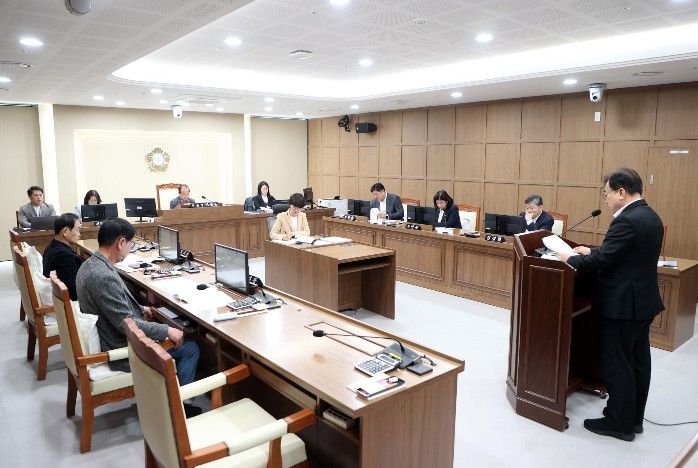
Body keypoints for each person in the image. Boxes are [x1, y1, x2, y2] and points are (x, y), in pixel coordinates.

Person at [558, 168, 664, 442]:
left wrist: (570, 258)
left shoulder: (626, 220)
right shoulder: (650, 215)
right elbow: (624, 254)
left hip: (623, 305)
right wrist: (591, 250)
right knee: (638, 361)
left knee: (618, 363)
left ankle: (619, 423)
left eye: (606, 194)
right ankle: (634, 419)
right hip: (643, 302)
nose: (605, 199)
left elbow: (605, 261)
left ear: (621, 192)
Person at [76, 218, 201, 416]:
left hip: (107, 332)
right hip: (120, 348)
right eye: (130, 244)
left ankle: (173, 395)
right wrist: (167, 330)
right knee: (190, 348)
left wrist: (141, 308)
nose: (130, 248)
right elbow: (126, 325)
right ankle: (180, 408)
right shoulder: (103, 276)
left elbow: (112, 307)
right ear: (121, 243)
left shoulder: (90, 265)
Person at [42, 213, 83, 301]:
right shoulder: (64, 256)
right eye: (77, 230)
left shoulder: (51, 247)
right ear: (65, 232)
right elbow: (74, 293)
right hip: (70, 302)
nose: (79, 234)